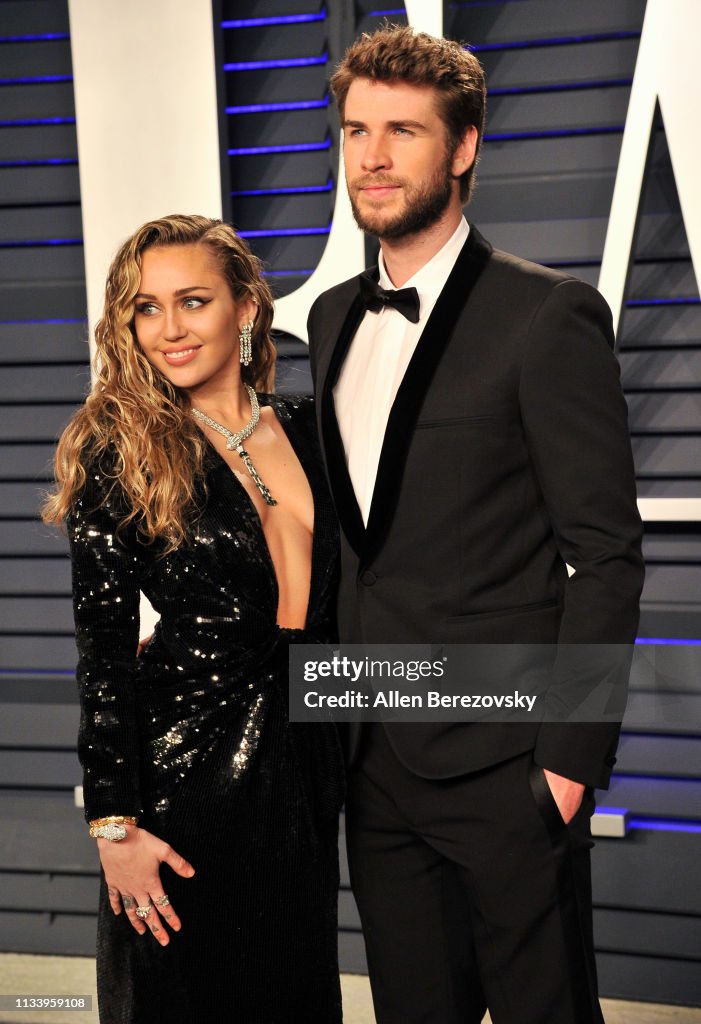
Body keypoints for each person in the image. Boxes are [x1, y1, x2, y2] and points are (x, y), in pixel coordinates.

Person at [307, 26, 645, 1024]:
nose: (370, 156)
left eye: (401, 130)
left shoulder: (547, 316)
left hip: (507, 767)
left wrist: (566, 767)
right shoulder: (327, 318)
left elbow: (605, 555)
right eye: (355, 129)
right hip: (367, 752)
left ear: (461, 149)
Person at [43, 214, 344, 1024]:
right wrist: (115, 826)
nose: (169, 329)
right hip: (183, 765)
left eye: (193, 300)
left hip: (307, 751)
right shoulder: (121, 446)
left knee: (293, 990)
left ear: (245, 308)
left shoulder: (317, 427)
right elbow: (102, 652)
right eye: (146, 308)